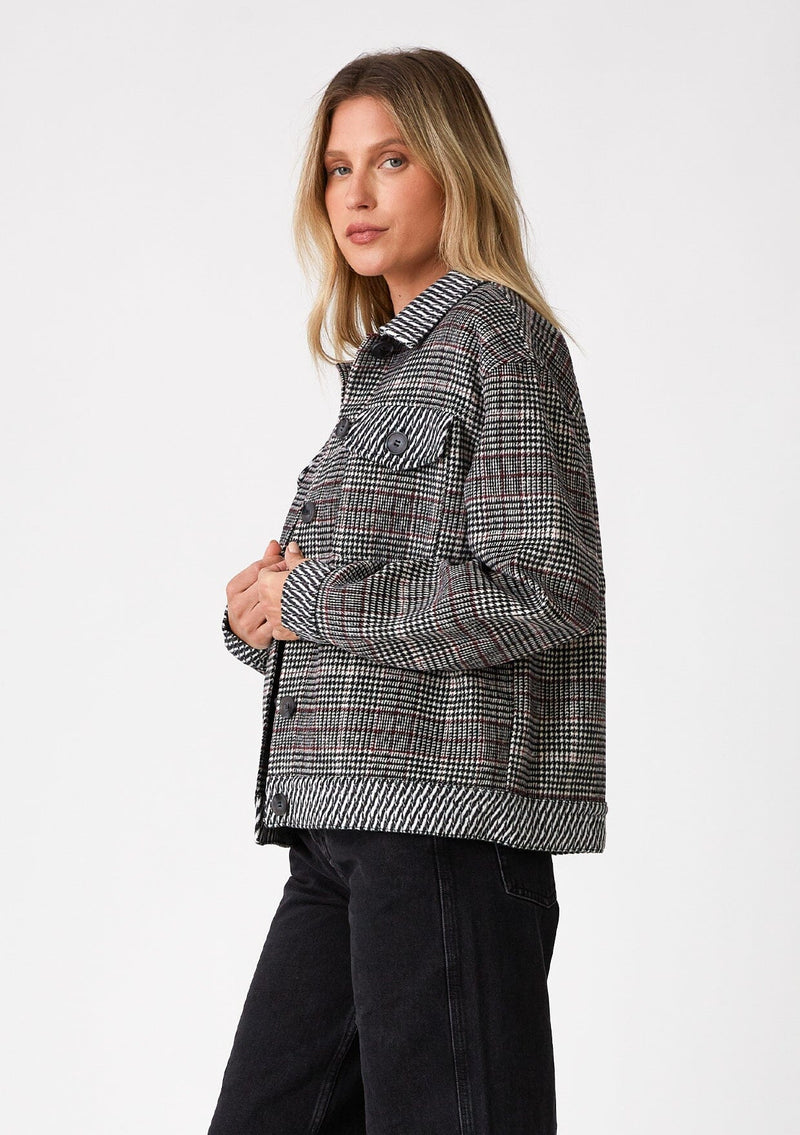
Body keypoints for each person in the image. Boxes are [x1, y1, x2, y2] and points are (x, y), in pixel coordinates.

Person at [208, 46, 606, 1135]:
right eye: (337, 169)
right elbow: (357, 597)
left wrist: (314, 601)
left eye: (390, 160)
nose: (357, 194)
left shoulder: (497, 339)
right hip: (336, 831)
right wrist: (262, 613)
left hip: (444, 834)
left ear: (453, 169)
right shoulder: (384, 367)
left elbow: (543, 588)